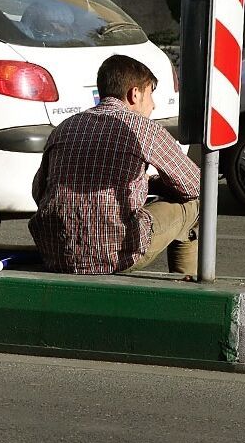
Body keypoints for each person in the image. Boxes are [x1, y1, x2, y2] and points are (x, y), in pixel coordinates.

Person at [29, 54, 201, 277]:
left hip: (56, 251)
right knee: (196, 205)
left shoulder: (64, 127)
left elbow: (38, 191)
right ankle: (186, 294)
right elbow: (193, 185)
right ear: (135, 93)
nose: (153, 105)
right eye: (150, 95)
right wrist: (159, 185)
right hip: (117, 252)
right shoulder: (143, 129)